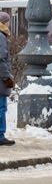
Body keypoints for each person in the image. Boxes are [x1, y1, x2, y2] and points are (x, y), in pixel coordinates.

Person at [0, 11, 14, 146]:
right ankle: (0, 135)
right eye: (8, 21)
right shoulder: (1, 36)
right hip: (0, 80)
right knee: (1, 108)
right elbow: (2, 59)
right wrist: (7, 77)